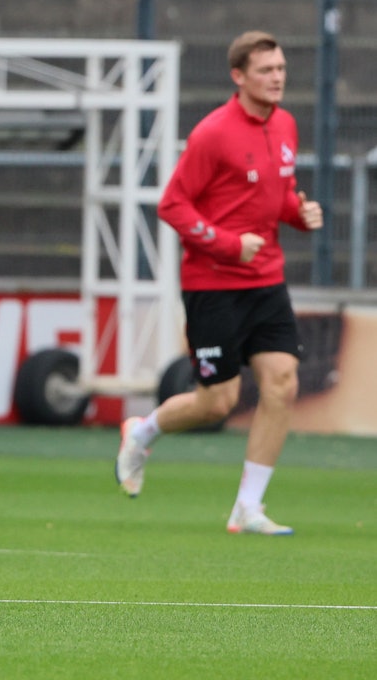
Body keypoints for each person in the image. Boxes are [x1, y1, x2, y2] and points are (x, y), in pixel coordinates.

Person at [115, 30, 323, 535]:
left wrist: (298, 212)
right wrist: (230, 244)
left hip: (266, 280)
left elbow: (277, 193)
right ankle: (142, 433)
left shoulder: (288, 125)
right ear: (239, 76)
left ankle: (248, 507)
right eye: (266, 71)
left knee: (282, 382)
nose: (277, 78)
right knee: (219, 402)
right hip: (213, 283)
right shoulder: (213, 133)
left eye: (280, 69)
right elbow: (173, 205)